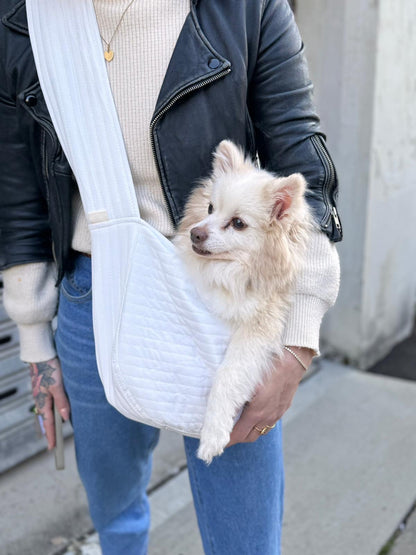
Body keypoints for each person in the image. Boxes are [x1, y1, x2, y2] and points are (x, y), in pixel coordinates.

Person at [0, 0, 342, 553]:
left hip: (231, 300)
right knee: (116, 513)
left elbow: (306, 167)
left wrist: (297, 343)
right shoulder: (27, 16)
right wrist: (36, 338)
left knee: (245, 539)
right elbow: (17, 191)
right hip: (94, 297)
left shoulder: (247, 9)